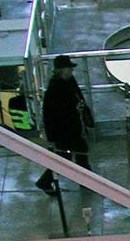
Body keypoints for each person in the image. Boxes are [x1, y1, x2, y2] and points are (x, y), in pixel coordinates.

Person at [35, 54, 93, 195]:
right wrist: (52, 137)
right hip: (64, 130)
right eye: (69, 68)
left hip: (72, 128)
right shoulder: (55, 88)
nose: (71, 71)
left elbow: (78, 98)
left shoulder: (68, 82)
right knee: (68, 157)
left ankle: (87, 180)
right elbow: (49, 114)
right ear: (61, 70)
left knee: (78, 152)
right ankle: (46, 181)